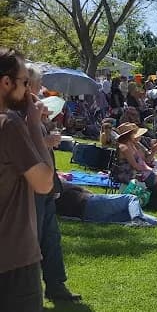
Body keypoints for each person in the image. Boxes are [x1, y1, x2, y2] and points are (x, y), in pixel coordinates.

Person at [0, 48, 57, 311]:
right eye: (25, 82)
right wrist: (33, 122)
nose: (28, 91)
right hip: (14, 260)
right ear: (6, 82)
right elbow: (44, 183)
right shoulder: (9, 125)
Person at [27, 64, 81, 303]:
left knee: (51, 237)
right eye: (39, 85)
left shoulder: (34, 111)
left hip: (47, 185)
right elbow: (24, 147)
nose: (42, 89)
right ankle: (30, 292)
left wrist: (46, 126)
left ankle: (56, 286)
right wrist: (46, 139)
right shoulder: (17, 114)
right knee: (34, 240)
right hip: (31, 187)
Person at [55, 182, 157, 228]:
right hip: (89, 203)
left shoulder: (49, 198)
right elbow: (85, 191)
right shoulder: (58, 185)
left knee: (130, 212)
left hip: (86, 215)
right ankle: (138, 221)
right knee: (130, 198)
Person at [116, 123, 157, 207]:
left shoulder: (132, 145)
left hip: (138, 171)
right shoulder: (124, 147)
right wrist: (149, 170)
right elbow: (135, 165)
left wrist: (149, 169)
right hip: (130, 175)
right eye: (133, 133)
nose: (135, 134)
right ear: (128, 135)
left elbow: (142, 161)